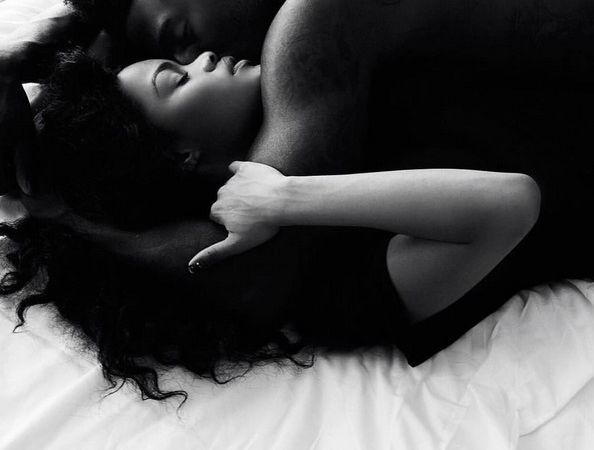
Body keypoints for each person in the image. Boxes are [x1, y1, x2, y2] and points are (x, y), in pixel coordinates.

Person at [0, 45, 540, 404]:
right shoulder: (329, 291)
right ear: (182, 155)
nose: (204, 56)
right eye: (179, 78)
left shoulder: (310, 106)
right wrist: (286, 199)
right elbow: (510, 203)